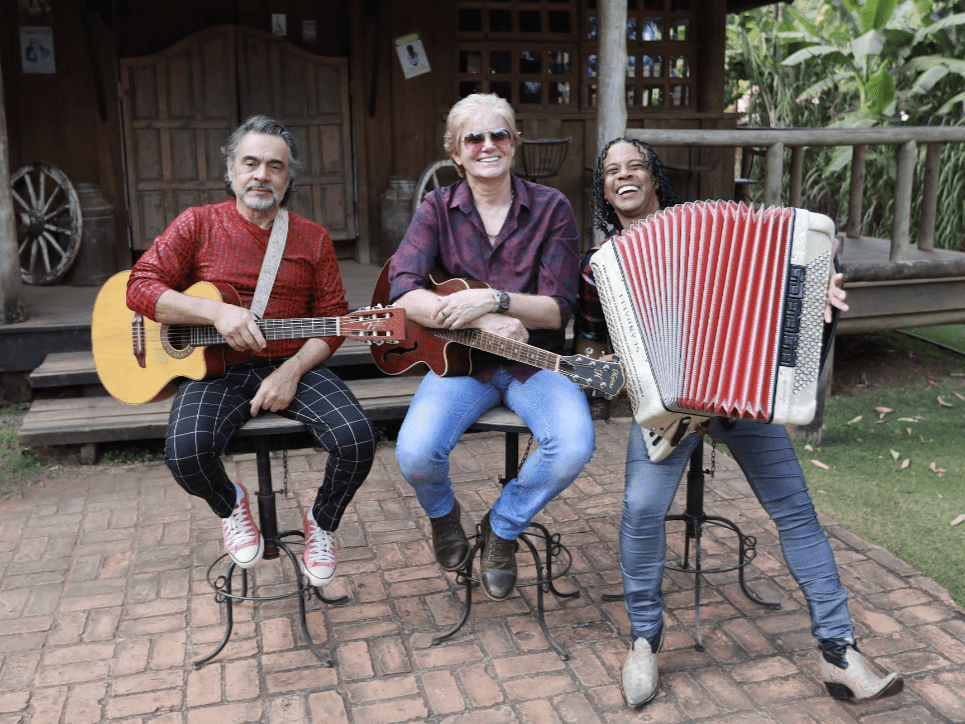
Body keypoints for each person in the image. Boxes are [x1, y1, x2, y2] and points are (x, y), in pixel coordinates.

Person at [581, 138, 903, 708]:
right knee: (639, 509)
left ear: (653, 177)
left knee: (796, 509)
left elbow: (783, 287)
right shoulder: (601, 265)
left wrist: (820, 289)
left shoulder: (709, 229)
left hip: (742, 394)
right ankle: (644, 643)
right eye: (612, 171)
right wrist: (614, 369)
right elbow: (592, 345)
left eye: (635, 166)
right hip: (670, 407)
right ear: (603, 187)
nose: (624, 176)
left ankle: (839, 653)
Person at [126, 115, 376, 587]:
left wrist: (293, 371)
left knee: (357, 439)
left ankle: (321, 522)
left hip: (289, 363)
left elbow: (335, 321)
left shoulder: (314, 239)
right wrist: (214, 313)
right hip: (215, 371)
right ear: (231, 170)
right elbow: (139, 287)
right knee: (185, 455)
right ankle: (232, 504)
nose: (262, 174)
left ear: (288, 178)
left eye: (275, 166)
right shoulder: (197, 224)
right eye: (251, 162)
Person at [387, 93, 595, 601]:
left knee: (573, 446)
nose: (488, 145)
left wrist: (497, 299)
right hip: (462, 364)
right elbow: (402, 291)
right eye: (473, 138)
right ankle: (444, 517)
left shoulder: (552, 208)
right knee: (415, 453)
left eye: (499, 134)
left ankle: (502, 528)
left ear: (514, 144)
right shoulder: (437, 208)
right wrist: (480, 322)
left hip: (537, 364)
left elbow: (558, 307)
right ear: (455, 152)